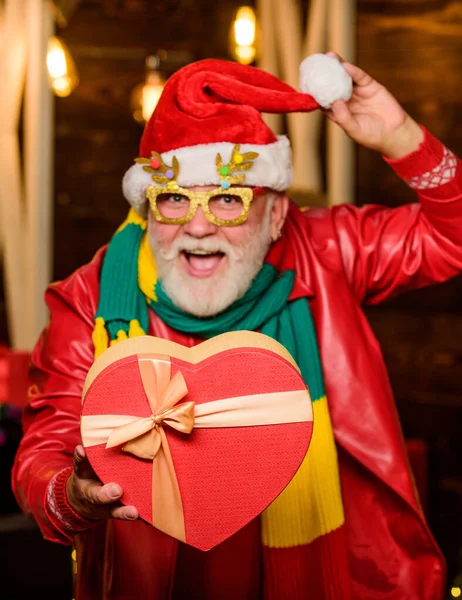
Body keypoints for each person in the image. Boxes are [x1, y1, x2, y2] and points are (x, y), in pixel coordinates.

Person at [12, 53, 461, 600]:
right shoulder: (90, 299)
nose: (198, 227)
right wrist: (73, 495)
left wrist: (401, 136)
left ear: (276, 214)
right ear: (148, 208)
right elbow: (42, 455)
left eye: (228, 198)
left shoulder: (328, 251)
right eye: (174, 198)